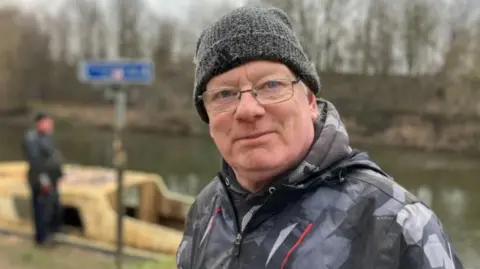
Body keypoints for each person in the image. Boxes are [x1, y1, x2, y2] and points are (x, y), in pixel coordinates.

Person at [176, 5, 464, 269]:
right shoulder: (206, 211)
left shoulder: (394, 224)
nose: (248, 110)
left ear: (310, 101)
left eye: (271, 85)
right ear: (208, 115)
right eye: (224, 94)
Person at [22, 112, 64, 246]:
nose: (51, 126)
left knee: (53, 207)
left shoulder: (47, 138)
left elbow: (52, 158)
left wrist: (60, 173)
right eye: (48, 123)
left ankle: (51, 233)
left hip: (52, 179)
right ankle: (42, 238)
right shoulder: (32, 139)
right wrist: (44, 180)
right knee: (42, 209)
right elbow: (36, 163)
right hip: (40, 180)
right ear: (39, 123)